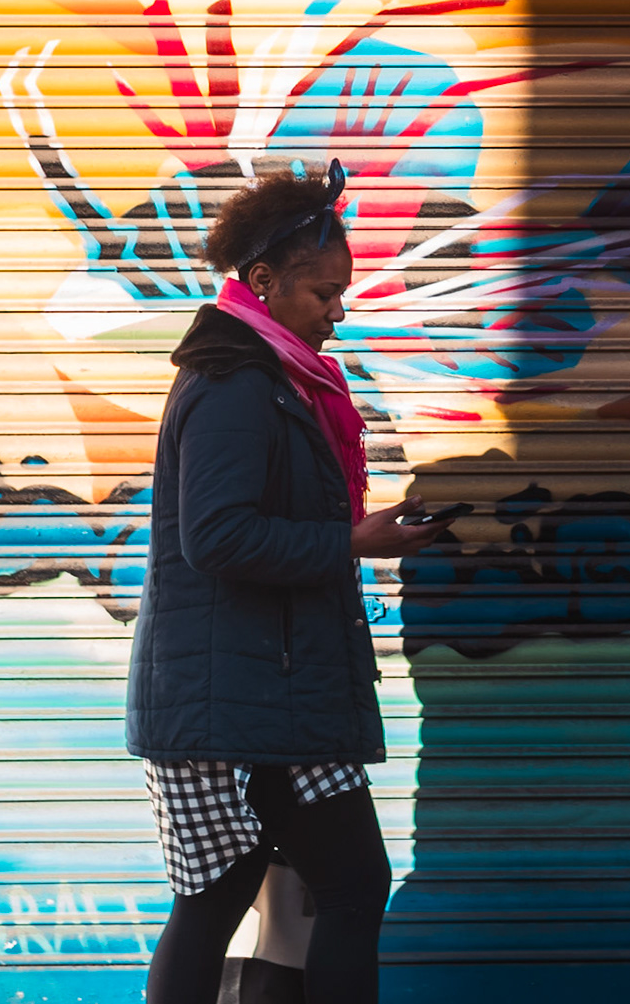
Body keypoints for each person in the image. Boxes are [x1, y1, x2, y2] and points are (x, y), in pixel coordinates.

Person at [127, 158, 450, 1003]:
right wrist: (351, 541)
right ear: (262, 281)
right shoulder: (236, 384)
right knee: (333, 886)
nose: (339, 312)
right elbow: (218, 536)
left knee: (233, 893)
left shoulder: (275, 375)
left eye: (344, 291)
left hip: (261, 688)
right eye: (323, 294)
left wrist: (355, 538)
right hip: (239, 699)